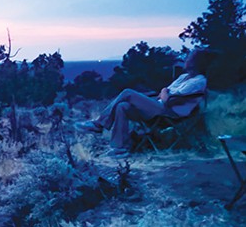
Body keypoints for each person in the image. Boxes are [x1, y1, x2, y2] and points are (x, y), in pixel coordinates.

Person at [75, 49, 213, 157]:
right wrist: (165, 92)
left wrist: (165, 91)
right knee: (123, 106)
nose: (186, 59)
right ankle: (120, 148)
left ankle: (98, 124)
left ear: (197, 62)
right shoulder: (184, 77)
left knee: (128, 92)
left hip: (169, 113)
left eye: (190, 57)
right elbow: (164, 93)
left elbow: (168, 99)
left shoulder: (199, 81)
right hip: (158, 107)